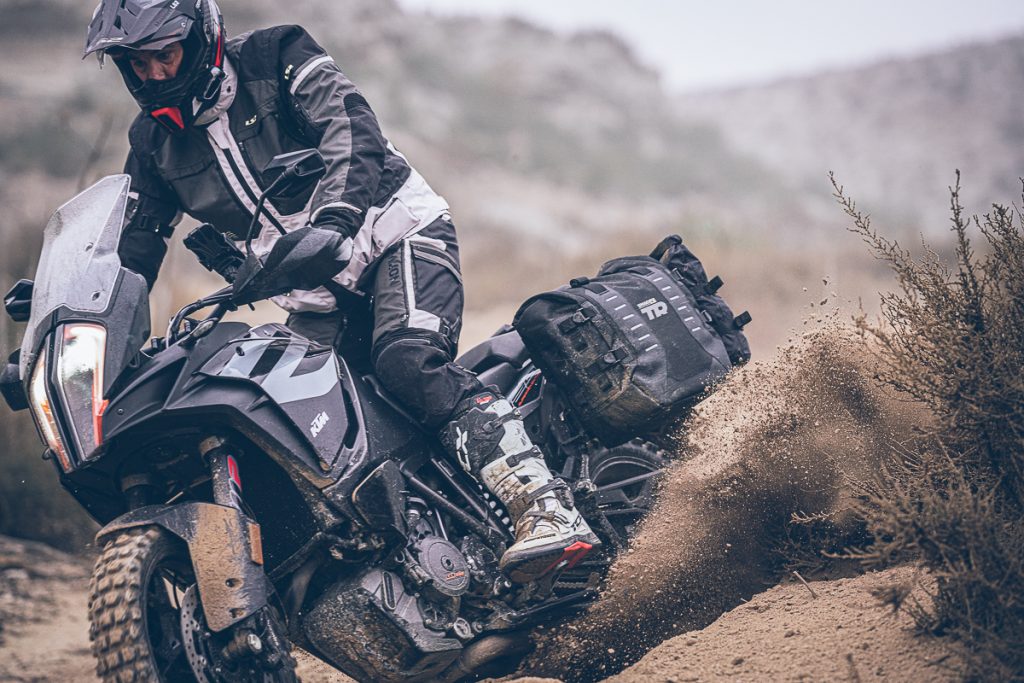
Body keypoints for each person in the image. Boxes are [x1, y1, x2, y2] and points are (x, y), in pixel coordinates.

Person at [83, 0, 598, 582]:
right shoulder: (152, 141)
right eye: (137, 63)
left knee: (407, 362)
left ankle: (545, 506)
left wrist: (336, 219)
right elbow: (136, 244)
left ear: (202, 37)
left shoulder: (275, 55)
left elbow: (350, 129)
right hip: (313, 296)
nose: (154, 74)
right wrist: (81, 309)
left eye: (165, 54)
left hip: (393, 235)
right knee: (294, 422)